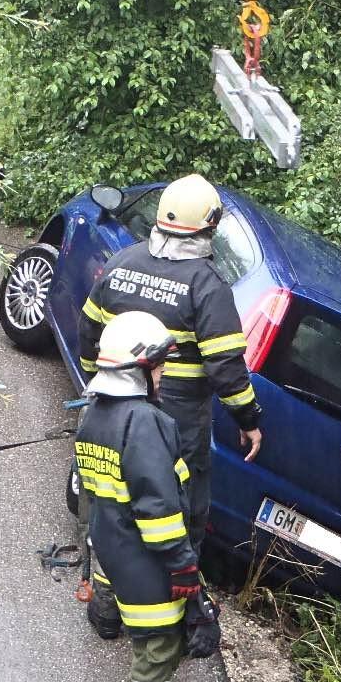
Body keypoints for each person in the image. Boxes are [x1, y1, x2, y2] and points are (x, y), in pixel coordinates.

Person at [76, 174, 263, 636]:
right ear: (209, 227)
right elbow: (225, 368)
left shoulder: (121, 264)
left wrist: (95, 384)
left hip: (112, 409)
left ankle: (105, 605)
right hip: (177, 423)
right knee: (180, 509)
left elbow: (87, 332)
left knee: (111, 507)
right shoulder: (207, 285)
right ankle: (176, 606)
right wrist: (249, 419)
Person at [76, 311, 218, 682]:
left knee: (150, 649)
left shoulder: (91, 416)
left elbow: (95, 500)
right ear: (137, 370)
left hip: (115, 555)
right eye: (157, 368)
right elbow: (158, 511)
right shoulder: (144, 423)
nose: (161, 376)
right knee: (156, 655)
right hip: (148, 564)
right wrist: (183, 569)